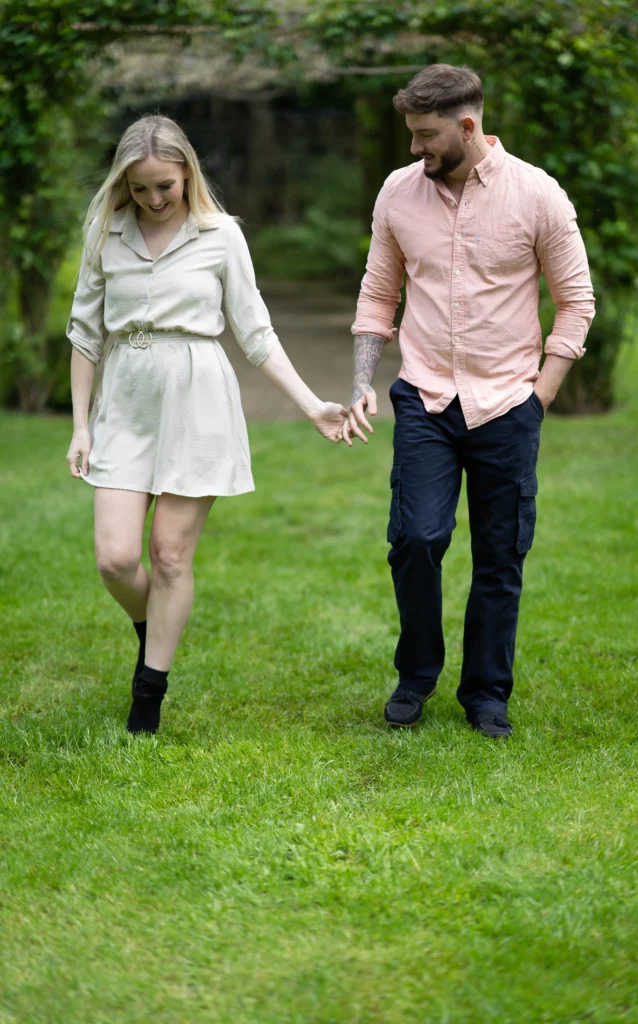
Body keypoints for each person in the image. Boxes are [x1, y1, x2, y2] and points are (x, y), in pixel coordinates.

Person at [66, 114, 346, 735]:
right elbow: (86, 334)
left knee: (168, 557)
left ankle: (148, 700)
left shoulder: (221, 235)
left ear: (187, 173)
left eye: (165, 185)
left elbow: (255, 331)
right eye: (141, 189)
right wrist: (81, 426)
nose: (155, 199)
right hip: (126, 402)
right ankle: (153, 630)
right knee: (115, 560)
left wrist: (310, 404)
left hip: (198, 399)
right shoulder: (105, 233)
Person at [343, 65, 595, 737]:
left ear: (467, 126)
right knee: (416, 539)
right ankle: (416, 674)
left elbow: (575, 304)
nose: (412, 149)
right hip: (423, 397)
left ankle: (486, 693)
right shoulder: (398, 193)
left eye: (425, 136)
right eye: (409, 134)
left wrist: (537, 399)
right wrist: (363, 381)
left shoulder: (537, 195)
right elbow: (377, 294)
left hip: (507, 403)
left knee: (499, 555)